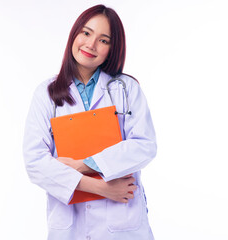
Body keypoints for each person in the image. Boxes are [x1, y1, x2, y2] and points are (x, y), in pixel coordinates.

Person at [23, 5, 156, 240]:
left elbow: (144, 146)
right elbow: (35, 163)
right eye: (86, 33)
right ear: (74, 34)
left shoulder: (127, 89)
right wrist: (101, 188)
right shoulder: (46, 93)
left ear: (112, 49)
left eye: (103, 40)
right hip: (70, 224)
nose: (91, 45)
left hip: (122, 225)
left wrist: (81, 165)